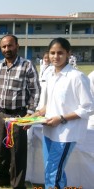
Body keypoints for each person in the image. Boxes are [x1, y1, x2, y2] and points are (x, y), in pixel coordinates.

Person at [33, 38, 94, 189]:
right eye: (52, 53)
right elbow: (52, 104)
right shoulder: (50, 75)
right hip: (49, 131)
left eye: (60, 53)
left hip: (66, 134)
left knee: (53, 171)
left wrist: (61, 118)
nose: (56, 56)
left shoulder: (77, 77)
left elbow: (88, 107)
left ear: (68, 54)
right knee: (52, 168)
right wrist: (35, 116)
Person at [0, 34, 41, 188]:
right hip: (1, 114)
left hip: (19, 115)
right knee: (2, 149)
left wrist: (30, 115)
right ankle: (3, 178)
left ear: (17, 46)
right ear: (1, 48)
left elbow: (35, 91)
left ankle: (17, 184)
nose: (7, 49)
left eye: (10, 45)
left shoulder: (27, 65)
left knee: (17, 152)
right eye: (4, 46)